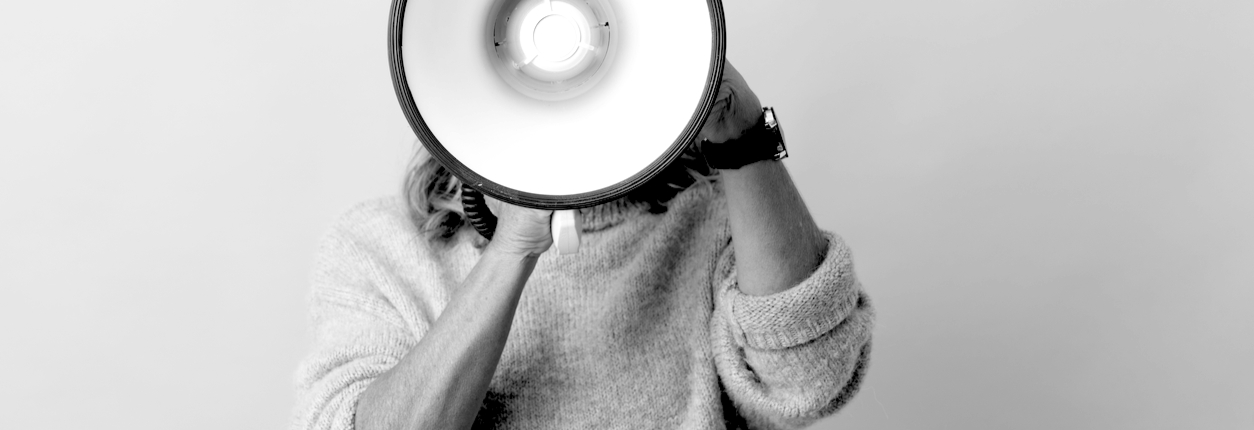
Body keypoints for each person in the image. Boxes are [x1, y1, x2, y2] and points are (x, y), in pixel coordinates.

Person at [293, 63, 874, 429]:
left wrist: (742, 137)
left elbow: (810, 382)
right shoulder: (381, 248)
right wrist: (512, 246)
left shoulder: (719, 217)